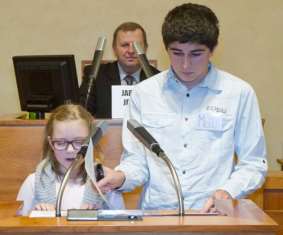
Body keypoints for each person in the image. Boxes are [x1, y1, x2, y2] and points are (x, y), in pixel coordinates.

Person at [97, 3, 267, 212]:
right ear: (165, 48)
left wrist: (227, 192)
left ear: (213, 49)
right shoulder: (144, 94)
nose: (185, 65)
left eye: (196, 54)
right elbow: (136, 161)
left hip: (213, 215)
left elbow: (253, 163)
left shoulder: (238, 93)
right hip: (158, 215)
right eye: (176, 53)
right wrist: (120, 177)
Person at [17, 104, 124, 216]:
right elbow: (16, 227)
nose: (70, 150)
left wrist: (98, 219)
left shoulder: (105, 182)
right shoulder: (33, 183)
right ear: (51, 143)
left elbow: (123, 228)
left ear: (91, 142)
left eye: (78, 142)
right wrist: (37, 219)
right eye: (60, 143)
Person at [79, 21, 160, 118]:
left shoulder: (158, 78)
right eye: (125, 45)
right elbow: (82, 114)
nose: (131, 51)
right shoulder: (95, 75)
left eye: (136, 45)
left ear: (145, 48)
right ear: (114, 49)